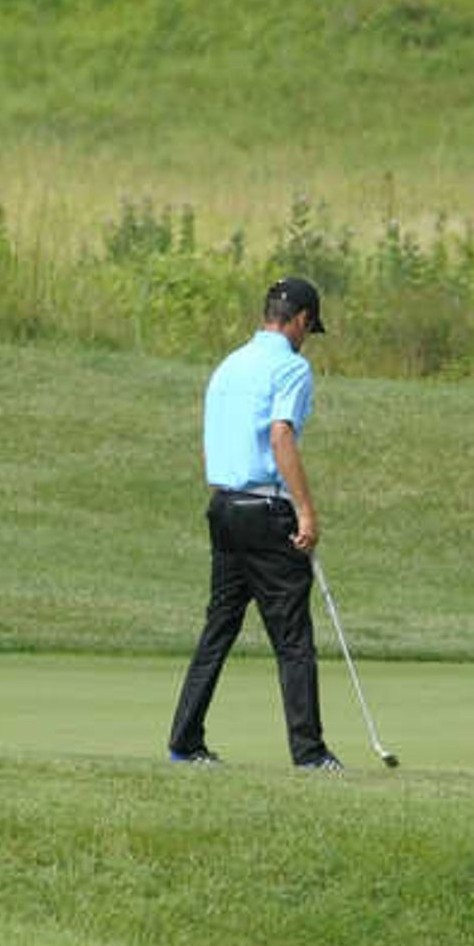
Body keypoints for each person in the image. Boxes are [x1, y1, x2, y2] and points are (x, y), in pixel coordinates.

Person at [167, 277, 337, 769]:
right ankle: (309, 754)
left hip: (223, 507)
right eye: (309, 327)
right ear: (302, 320)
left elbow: (212, 441)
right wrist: (305, 510)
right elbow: (281, 435)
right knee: (293, 639)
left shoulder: (229, 365)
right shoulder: (292, 367)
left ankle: (184, 742)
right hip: (266, 512)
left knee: (218, 628)